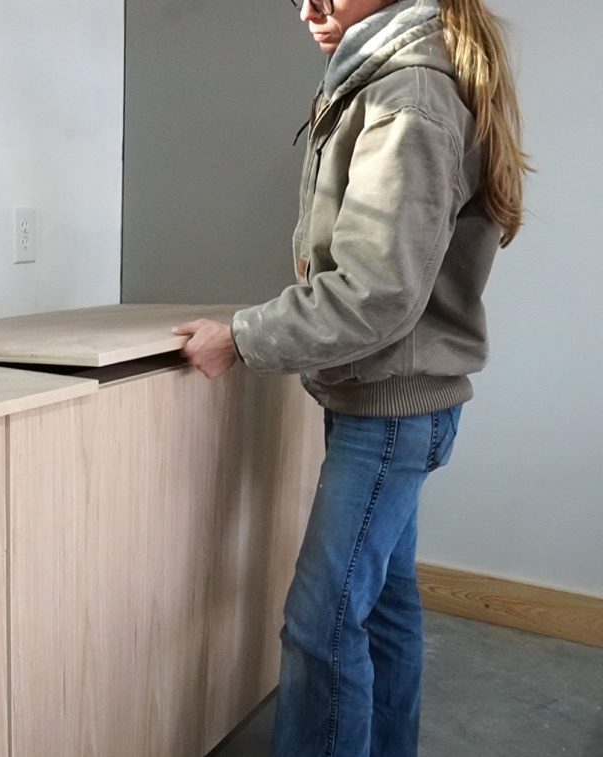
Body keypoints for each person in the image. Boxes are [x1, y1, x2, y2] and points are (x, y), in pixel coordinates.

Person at [171, 0, 529, 755]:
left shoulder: (408, 96)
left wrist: (240, 337)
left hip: (388, 413)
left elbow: (376, 292)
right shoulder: (391, 80)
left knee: (321, 622)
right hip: (390, 399)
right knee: (386, 607)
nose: (308, 8)